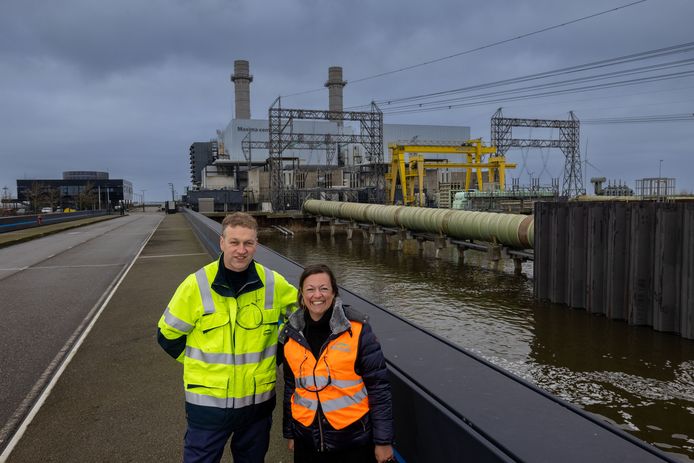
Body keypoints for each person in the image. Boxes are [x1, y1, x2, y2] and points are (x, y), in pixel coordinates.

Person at [157, 212, 298, 463]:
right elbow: (168, 335)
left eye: (248, 243)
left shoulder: (273, 283)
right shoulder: (196, 285)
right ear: (222, 242)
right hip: (208, 409)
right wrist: (197, 363)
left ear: (256, 244)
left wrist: (275, 353)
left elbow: (304, 315)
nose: (241, 250)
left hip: (257, 408)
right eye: (234, 242)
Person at [279, 264, 395, 463]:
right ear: (301, 294)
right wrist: (290, 433)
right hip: (307, 440)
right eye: (310, 289)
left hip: (352, 441)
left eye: (324, 288)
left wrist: (383, 441)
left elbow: (379, 388)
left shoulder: (357, 331)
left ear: (334, 293)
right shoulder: (291, 335)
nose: (317, 295)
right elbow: (292, 388)